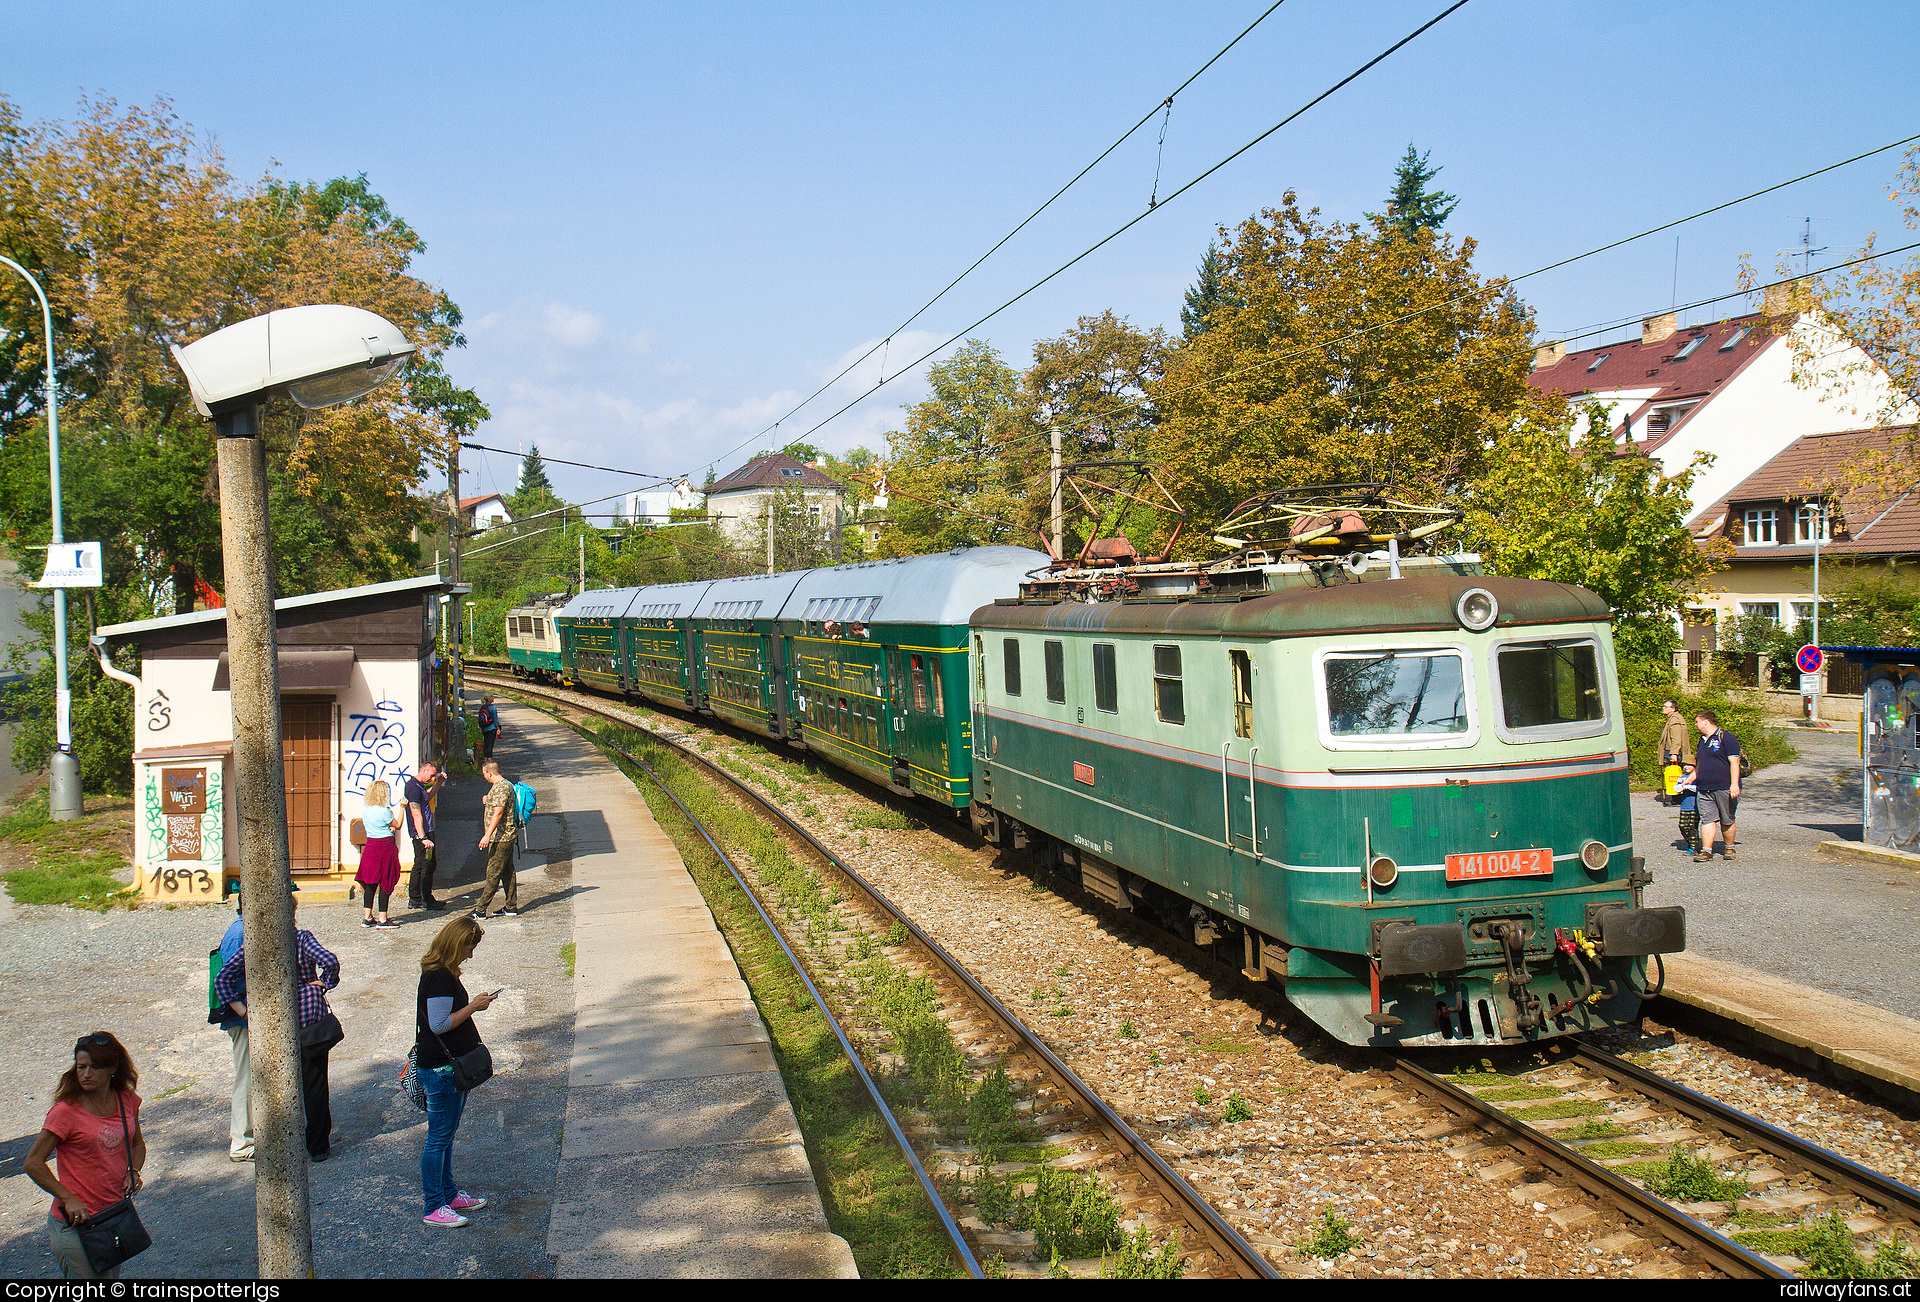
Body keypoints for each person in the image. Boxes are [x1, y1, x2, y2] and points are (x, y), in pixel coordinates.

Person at [215, 889, 343, 1161]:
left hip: (272, 1024)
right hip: (309, 1020)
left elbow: (223, 978)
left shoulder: (256, 943)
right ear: (292, 914)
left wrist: (244, 1010)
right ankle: (318, 1147)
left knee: (272, 1084)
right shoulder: (301, 938)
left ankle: (279, 1141)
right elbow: (330, 960)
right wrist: (325, 983)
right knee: (315, 1084)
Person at [24, 1032, 146, 1280]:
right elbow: (32, 1163)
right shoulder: (65, 1112)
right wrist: (67, 1198)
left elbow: (138, 1143)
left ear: (113, 1068)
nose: (86, 1074)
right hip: (77, 1224)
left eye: (95, 1067)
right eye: (81, 1067)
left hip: (113, 1218)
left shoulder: (126, 1100)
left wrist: (133, 1171)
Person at [417, 915, 495, 1228]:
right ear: (454, 943)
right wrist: (473, 1006)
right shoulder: (439, 977)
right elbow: (438, 1024)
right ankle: (433, 1205)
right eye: (468, 947)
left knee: (446, 1135)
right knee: (438, 1138)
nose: (471, 954)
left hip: (449, 1068)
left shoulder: (444, 972)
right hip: (440, 1069)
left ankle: (448, 1194)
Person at [215, 898, 252, 1161]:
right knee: (248, 1077)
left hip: (244, 1018)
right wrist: (244, 1011)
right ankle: (241, 1143)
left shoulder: (242, 927)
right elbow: (224, 978)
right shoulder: (240, 932)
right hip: (243, 1020)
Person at [1692, 709, 1742, 862]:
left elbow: (1735, 762)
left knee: (1726, 819)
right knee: (1706, 819)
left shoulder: (1726, 738)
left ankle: (1729, 847)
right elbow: (1701, 762)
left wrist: (1734, 785)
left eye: (1697, 722)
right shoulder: (1702, 740)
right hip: (1704, 788)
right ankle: (1706, 851)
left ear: (1706, 722)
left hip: (1724, 787)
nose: (1696, 725)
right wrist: (1692, 777)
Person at [473, 758, 521, 919]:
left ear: (489, 773)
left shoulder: (501, 788)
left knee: (493, 872)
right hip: (507, 835)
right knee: (507, 871)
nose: (484, 777)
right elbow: (499, 806)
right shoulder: (504, 785)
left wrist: (487, 835)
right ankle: (511, 906)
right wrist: (488, 801)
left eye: (484, 774)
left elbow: (499, 813)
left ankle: (480, 910)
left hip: (501, 837)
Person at [355, 779, 403, 928]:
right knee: (385, 880)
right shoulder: (385, 811)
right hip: (384, 847)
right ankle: (383, 918)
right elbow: (398, 824)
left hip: (370, 846)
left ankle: (367, 917)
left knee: (370, 881)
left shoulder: (365, 809)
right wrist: (402, 808)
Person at [405, 762, 446, 911]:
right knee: (425, 865)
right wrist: (422, 837)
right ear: (423, 770)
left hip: (425, 831)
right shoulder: (413, 788)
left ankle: (417, 898)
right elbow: (416, 813)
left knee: (423, 864)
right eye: (431, 775)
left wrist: (438, 784)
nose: (432, 778)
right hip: (422, 833)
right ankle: (424, 898)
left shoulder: (419, 786)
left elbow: (427, 797)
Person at [1657, 699, 1689, 805]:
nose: (1663, 708)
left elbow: (1676, 738)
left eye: (1666, 707)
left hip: (1674, 752)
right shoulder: (1673, 718)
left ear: (1673, 709)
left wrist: (1674, 753)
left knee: (1675, 775)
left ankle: (1677, 799)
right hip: (1673, 751)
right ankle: (1676, 798)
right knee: (1675, 775)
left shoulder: (1675, 720)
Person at [1674, 762, 1702, 856]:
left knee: (1692, 826)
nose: (1686, 767)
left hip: (1694, 806)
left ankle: (1693, 847)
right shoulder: (1682, 777)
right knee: (1682, 825)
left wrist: (1689, 787)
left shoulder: (1697, 776)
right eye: (1685, 765)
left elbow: (1699, 788)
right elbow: (1676, 788)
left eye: (1689, 765)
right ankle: (1691, 842)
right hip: (1684, 806)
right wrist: (1681, 787)